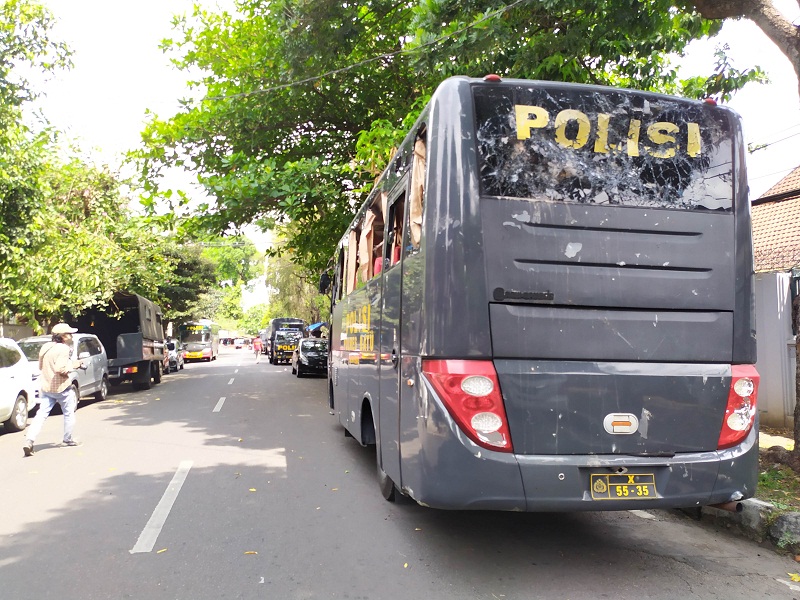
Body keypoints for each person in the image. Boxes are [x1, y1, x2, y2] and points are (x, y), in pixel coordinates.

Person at [23, 322, 85, 456]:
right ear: (63, 336)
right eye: (69, 334)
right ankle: (67, 440)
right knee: (68, 413)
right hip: (62, 388)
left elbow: (40, 366)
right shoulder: (63, 349)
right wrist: (75, 365)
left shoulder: (45, 347)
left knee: (41, 415)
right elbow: (60, 369)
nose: (71, 336)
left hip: (46, 387)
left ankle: (29, 440)